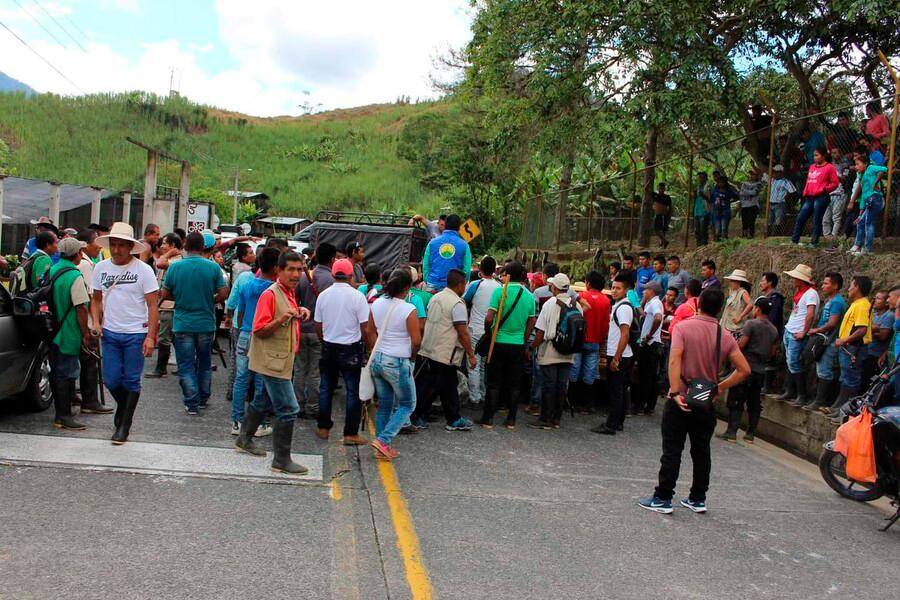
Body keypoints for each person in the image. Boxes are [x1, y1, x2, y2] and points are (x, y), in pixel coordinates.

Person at [638, 288, 749, 514]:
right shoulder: (724, 335)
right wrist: (719, 387)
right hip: (705, 400)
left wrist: (676, 392)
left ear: (698, 305)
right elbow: (744, 369)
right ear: (719, 310)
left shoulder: (682, 327)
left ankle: (663, 497)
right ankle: (697, 498)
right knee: (701, 451)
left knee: (672, 449)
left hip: (681, 396)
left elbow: (675, 359)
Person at [235, 251, 312, 475]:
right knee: (289, 408)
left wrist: (298, 312)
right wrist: (281, 320)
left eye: (299, 270)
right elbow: (258, 329)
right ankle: (281, 459)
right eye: (291, 269)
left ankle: (244, 439)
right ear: (278, 271)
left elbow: (285, 315)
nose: (296, 274)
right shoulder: (270, 294)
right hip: (272, 361)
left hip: (279, 359)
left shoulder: (288, 292)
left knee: (262, 400)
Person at [90, 222, 159, 445]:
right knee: (110, 379)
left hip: (135, 333)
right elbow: (96, 298)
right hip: (110, 332)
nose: (117, 249)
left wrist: (150, 336)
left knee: (131, 380)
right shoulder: (101, 268)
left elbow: (152, 305)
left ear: (130, 247)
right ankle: (124, 407)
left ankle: (124, 425)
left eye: (121, 245)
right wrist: (96, 321)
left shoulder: (144, 270)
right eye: (114, 245)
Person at [162, 232, 228, 415]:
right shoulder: (213, 268)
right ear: (202, 248)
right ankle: (203, 398)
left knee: (186, 364)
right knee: (205, 362)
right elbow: (223, 293)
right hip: (206, 323)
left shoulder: (175, 267)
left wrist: (181, 298)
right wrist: (211, 299)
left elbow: (165, 294)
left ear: (185, 247)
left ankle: (191, 402)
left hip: (182, 323)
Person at [314, 258, 371, 444]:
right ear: (350, 275)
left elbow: (318, 325)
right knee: (352, 391)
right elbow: (365, 327)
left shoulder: (323, 295)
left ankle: (323, 427)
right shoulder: (357, 296)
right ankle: (350, 433)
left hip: (329, 346)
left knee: (326, 388)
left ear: (333, 274)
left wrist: (324, 340)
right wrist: (367, 348)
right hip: (350, 348)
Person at [368, 269, 422, 460]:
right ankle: (383, 440)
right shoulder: (409, 309)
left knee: (385, 405)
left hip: (378, 358)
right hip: (397, 360)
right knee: (408, 404)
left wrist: (378, 349)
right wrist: (413, 356)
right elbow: (416, 340)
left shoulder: (376, 303)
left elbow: (370, 331)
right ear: (407, 287)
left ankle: (382, 446)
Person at [48, 238, 98, 430]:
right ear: (76, 254)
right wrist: (85, 333)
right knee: (67, 373)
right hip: (68, 330)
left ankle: (62, 413)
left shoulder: (53, 270)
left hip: (52, 329)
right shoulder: (74, 275)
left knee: (57, 371)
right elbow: (81, 308)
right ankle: (63, 415)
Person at [417, 269, 476, 430]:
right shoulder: (457, 304)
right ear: (460, 285)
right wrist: (471, 355)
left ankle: (452, 418)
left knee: (443, 385)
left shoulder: (436, 298)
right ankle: (420, 416)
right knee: (434, 386)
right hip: (445, 352)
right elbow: (462, 332)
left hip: (429, 348)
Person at [231, 248, 281, 436]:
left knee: (241, 379)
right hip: (263, 336)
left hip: (245, 333)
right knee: (261, 380)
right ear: (276, 267)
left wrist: (244, 326)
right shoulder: (274, 290)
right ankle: (258, 423)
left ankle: (236, 421)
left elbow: (240, 311)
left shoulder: (247, 285)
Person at [479, 262, 536, 429]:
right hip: (517, 344)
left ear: (508, 275)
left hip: (498, 342)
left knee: (494, 381)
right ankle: (511, 420)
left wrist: (489, 332)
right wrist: (524, 339)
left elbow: (490, 318)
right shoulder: (529, 296)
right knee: (514, 383)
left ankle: (488, 418)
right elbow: (531, 321)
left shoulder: (499, 292)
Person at [718, 296, 778, 443]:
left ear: (757, 309)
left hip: (744, 367)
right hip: (760, 370)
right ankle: (750, 434)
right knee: (754, 403)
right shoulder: (774, 330)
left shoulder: (751, 324)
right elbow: (772, 352)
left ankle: (731, 432)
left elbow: (742, 344)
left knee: (736, 399)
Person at [527, 273, 581, 430]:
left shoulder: (550, 304)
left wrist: (531, 348)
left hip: (551, 349)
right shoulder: (576, 305)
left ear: (554, 288)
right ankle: (557, 419)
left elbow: (540, 332)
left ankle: (545, 418)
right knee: (561, 385)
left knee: (548, 385)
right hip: (569, 352)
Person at [592, 274, 636, 435]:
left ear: (626, 290)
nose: (614, 291)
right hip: (621, 353)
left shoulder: (624, 308)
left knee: (616, 391)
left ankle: (611, 424)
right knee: (620, 390)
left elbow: (625, 334)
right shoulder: (620, 306)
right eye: (613, 287)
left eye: (618, 288)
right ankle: (618, 422)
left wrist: (616, 357)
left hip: (620, 354)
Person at [826, 276, 873, 420]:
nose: (849, 288)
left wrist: (844, 340)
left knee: (851, 380)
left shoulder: (862, 305)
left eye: (851, 285)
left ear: (857, 287)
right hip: (848, 348)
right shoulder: (856, 304)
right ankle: (840, 408)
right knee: (845, 378)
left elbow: (861, 330)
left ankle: (847, 413)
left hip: (854, 349)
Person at [803, 272, 847, 411]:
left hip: (830, 341)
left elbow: (832, 323)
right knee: (821, 369)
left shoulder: (837, 302)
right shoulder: (831, 300)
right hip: (825, 340)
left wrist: (817, 330)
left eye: (826, 283)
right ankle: (818, 399)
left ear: (835, 286)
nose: (823, 286)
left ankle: (820, 401)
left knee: (824, 370)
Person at [74, 229, 107, 413]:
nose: (99, 246)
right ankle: (90, 401)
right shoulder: (85, 265)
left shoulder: (78, 264)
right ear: (86, 245)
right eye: (96, 242)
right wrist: (95, 322)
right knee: (89, 362)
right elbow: (89, 297)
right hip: (86, 322)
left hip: (77, 322)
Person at [463, 256, 501, 406]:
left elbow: (464, 301)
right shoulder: (500, 287)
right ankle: (484, 395)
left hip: (475, 330)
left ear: (480, 270)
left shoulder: (475, 285)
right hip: (492, 332)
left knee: (473, 364)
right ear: (494, 270)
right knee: (485, 365)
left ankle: (474, 397)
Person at [569, 270, 610, 411]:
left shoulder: (581, 296)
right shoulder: (606, 301)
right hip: (594, 342)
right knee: (590, 372)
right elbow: (605, 325)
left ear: (588, 283)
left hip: (578, 340)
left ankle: (571, 401)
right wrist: (601, 339)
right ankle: (587, 403)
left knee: (574, 370)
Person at [779, 264, 818, 404]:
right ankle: (790, 390)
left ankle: (801, 394)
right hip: (791, 329)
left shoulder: (811, 293)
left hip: (797, 332)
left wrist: (803, 332)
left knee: (794, 362)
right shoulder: (801, 291)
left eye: (795, 277)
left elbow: (810, 314)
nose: (793, 279)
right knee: (790, 362)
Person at [146, 233, 183, 379]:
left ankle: (161, 369)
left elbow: (160, 263)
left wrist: (169, 253)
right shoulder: (171, 259)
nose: (161, 246)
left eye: (165, 244)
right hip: (165, 305)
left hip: (170, 305)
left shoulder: (175, 260)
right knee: (173, 338)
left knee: (165, 338)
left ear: (173, 246)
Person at [791, 148, 840, 246]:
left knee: (816, 219)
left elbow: (835, 183)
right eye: (814, 155)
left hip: (821, 197)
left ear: (823, 156)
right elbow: (809, 180)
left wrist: (825, 189)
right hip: (809, 197)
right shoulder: (812, 167)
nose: (815, 157)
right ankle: (794, 241)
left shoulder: (830, 167)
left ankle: (814, 242)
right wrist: (805, 191)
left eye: (817, 155)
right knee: (801, 217)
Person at [632, 280, 665, 416]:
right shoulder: (651, 303)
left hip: (651, 345)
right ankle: (644, 405)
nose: (644, 292)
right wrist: (641, 302)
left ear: (651, 291)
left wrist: (649, 335)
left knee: (647, 376)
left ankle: (642, 405)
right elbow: (644, 316)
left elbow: (657, 318)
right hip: (648, 343)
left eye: (646, 290)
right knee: (645, 375)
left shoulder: (656, 303)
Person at [848, 154, 888, 255]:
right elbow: (863, 198)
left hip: (876, 199)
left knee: (868, 223)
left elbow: (884, 169)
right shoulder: (862, 177)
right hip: (868, 201)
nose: (856, 167)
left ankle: (867, 249)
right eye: (855, 165)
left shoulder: (870, 168)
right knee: (861, 222)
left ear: (865, 164)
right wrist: (860, 214)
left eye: (858, 164)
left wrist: (875, 183)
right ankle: (857, 246)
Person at [422, 214, 472, 292]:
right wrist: (462, 283)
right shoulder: (464, 245)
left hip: (433, 286)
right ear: (459, 228)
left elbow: (426, 264)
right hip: (454, 287)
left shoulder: (432, 243)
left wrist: (428, 281)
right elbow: (467, 269)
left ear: (445, 225)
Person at [862, 290, 894, 394]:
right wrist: (874, 329)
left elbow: (883, 336)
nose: (875, 300)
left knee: (869, 382)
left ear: (886, 302)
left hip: (876, 354)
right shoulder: (874, 314)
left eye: (879, 298)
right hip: (867, 351)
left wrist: (868, 330)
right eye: (875, 298)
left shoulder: (889, 315)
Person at [822, 147, 850, 242]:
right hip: (829, 193)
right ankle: (826, 236)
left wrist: (835, 175)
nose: (834, 155)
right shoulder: (829, 165)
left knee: (836, 217)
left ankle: (833, 237)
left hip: (839, 193)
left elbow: (844, 178)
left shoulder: (845, 165)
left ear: (840, 153)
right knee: (826, 217)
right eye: (832, 153)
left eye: (836, 153)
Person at [720, 270, 753, 337]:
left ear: (738, 282)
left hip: (734, 327)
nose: (730, 283)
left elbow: (751, 304)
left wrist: (740, 317)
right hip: (726, 324)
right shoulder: (732, 292)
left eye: (732, 281)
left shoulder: (742, 292)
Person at [738, 169, 766, 238]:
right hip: (744, 205)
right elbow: (741, 193)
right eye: (750, 174)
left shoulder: (759, 184)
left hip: (753, 205)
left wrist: (745, 191)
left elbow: (754, 193)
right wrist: (748, 192)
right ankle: (744, 234)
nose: (751, 176)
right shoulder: (744, 183)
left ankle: (751, 234)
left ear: (756, 176)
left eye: (753, 174)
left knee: (751, 221)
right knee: (744, 221)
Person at [767, 165, 796, 230]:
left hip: (779, 204)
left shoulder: (786, 181)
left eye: (776, 172)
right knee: (769, 221)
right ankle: (769, 235)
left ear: (780, 173)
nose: (774, 173)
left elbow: (792, 191)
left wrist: (784, 198)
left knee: (778, 222)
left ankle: (776, 236)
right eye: (774, 172)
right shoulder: (772, 181)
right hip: (771, 203)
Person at [710, 175, 738, 240]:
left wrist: (729, 201)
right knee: (718, 230)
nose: (721, 183)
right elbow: (711, 199)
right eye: (719, 182)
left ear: (725, 182)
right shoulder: (714, 190)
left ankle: (725, 243)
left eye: (722, 182)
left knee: (724, 228)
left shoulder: (729, 190)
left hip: (725, 211)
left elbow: (736, 197)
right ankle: (718, 244)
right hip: (716, 212)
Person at [759, 272, 785, 337]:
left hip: (770, 334)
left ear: (770, 282)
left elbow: (773, 317)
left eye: (762, 281)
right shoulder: (767, 297)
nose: (760, 284)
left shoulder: (776, 297)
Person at [694, 172, 712, 246]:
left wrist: (703, 195)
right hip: (697, 211)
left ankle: (704, 244)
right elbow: (696, 198)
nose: (700, 179)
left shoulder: (708, 187)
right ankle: (698, 245)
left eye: (702, 177)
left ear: (705, 178)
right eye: (699, 177)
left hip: (704, 211)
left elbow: (710, 199)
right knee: (697, 230)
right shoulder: (698, 187)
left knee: (703, 230)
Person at [652, 183, 673, 247]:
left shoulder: (667, 197)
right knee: (656, 229)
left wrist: (669, 216)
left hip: (664, 215)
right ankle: (664, 241)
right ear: (658, 188)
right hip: (657, 215)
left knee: (663, 229)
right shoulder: (655, 195)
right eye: (660, 188)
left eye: (663, 188)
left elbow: (670, 207)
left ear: (664, 189)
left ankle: (662, 243)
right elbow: (646, 190)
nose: (661, 190)